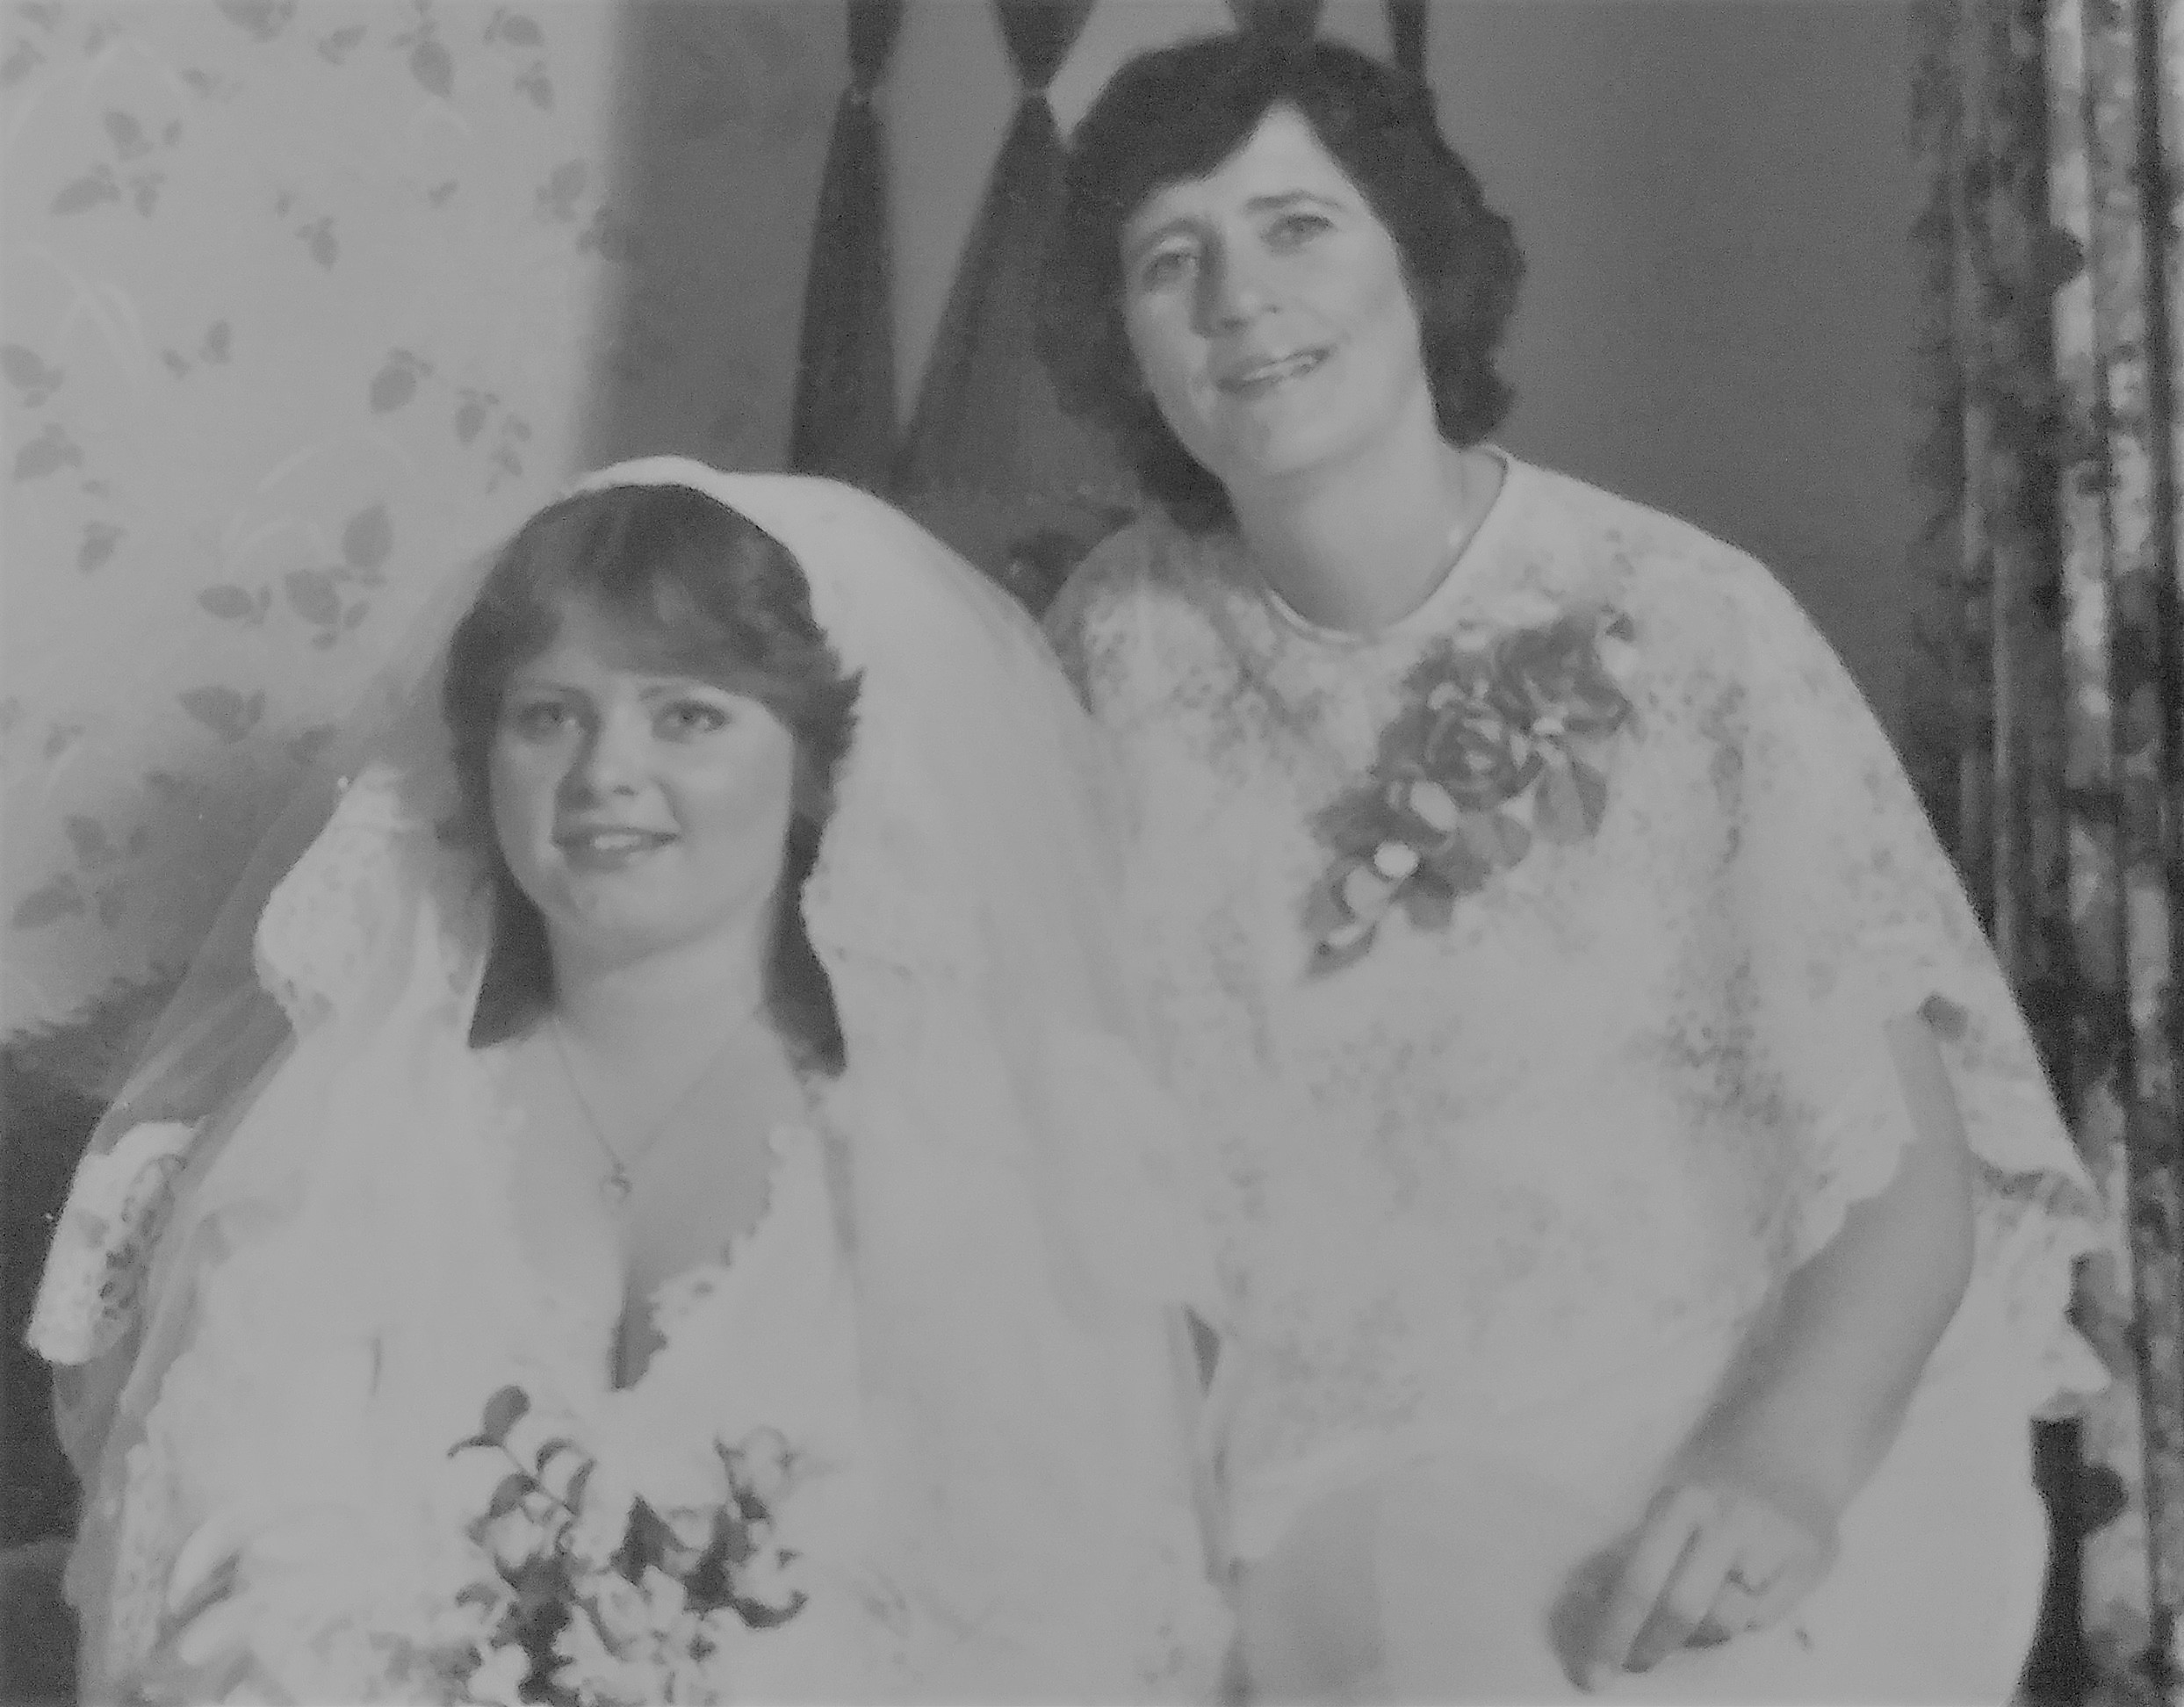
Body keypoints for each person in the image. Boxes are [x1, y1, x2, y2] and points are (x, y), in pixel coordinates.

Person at [1036, 32, 2108, 1703]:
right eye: (1173, 261)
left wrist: (1783, 1468)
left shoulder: (1684, 624)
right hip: (1309, 1476)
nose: (1240, 295)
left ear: (1419, 263)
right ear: (1131, 350)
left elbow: (1906, 1176)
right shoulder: (1115, 645)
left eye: (1298, 226)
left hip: (1697, 1437)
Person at [29, 462, 1230, 1704]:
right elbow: (224, 1588)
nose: (606, 770)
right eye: (548, 714)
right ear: (481, 761)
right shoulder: (359, 1128)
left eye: (688, 715)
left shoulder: (979, 1146)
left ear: (815, 766)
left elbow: (1056, 1624)